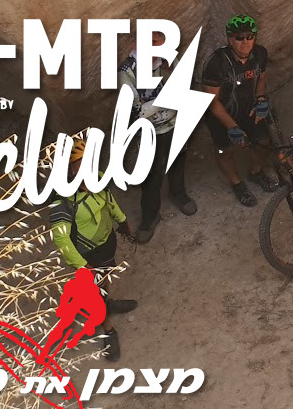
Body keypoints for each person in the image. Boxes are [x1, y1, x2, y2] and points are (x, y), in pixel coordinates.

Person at [47, 136, 136, 361]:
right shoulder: (62, 201)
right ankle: (108, 330)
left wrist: (123, 222)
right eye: (80, 164)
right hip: (86, 256)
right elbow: (62, 241)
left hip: (106, 245)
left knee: (104, 282)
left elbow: (109, 201)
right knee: (95, 292)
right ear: (69, 171)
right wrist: (83, 267)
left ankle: (107, 301)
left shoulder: (97, 179)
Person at [118, 48, 194, 242]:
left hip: (175, 124)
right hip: (148, 132)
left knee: (177, 160)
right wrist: (168, 97)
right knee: (151, 175)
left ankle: (178, 193)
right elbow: (136, 111)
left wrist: (151, 104)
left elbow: (185, 91)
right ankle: (150, 217)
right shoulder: (127, 71)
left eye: (159, 41)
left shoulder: (170, 59)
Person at [201, 15, 276, 207]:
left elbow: (262, 78)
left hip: (248, 107)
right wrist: (232, 127)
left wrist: (261, 98)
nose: (245, 42)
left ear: (255, 37)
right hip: (219, 113)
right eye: (239, 37)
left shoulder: (260, 53)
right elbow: (212, 101)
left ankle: (255, 173)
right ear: (229, 39)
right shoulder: (216, 63)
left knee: (263, 142)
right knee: (224, 150)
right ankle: (237, 183)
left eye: (249, 37)